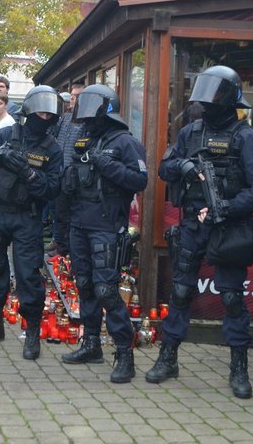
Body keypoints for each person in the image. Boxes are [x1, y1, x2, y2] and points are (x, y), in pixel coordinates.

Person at [147, 65, 253, 399]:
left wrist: (227, 209)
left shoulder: (248, 136)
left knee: (231, 297)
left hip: (229, 226)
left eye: (216, 98)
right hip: (192, 223)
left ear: (230, 98)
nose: (208, 104)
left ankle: (239, 368)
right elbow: (164, 167)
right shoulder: (190, 132)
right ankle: (168, 358)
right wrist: (185, 166)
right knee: (181, 292)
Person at [59, 85, 147, 381]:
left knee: (106, 289)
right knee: (84, 284)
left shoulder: (124, 142)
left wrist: (108, 165)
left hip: (107, 226)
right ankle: (92, 344)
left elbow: (139, 179)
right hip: (80, 224)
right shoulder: (85, 140)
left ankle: (125, 354)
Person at [0, 85, 64, 360]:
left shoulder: (52, 150)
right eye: (41, 113)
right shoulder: (4, 135)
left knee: (28, 275)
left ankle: (32, 333)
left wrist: (29, 174)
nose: (44, 118)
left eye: (50, 115)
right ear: (30, 111)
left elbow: (52, 189)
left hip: (27, 217)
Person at [47, 83, 86, 257]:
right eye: (71, 95)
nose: (72, 99)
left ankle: (68, 253)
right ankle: (60, 248)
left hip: (75, 178)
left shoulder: (86, 122)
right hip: (59, 173)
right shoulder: (64, 118)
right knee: (58, 214)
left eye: (76, 96)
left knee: (70, 218)